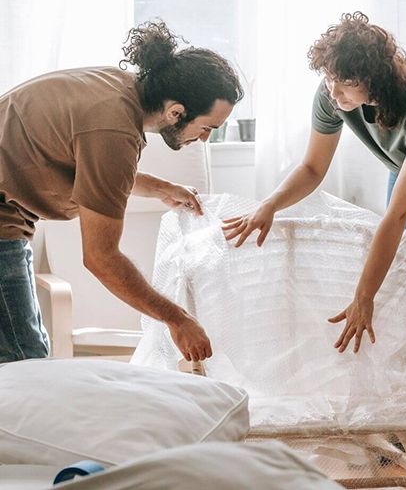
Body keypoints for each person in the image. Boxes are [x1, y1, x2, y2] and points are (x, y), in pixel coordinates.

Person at [223, 12, 406, 487]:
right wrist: (269, 205)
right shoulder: (331, 93)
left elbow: (396, 219)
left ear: (374, 80)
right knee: (396, 296)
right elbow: (313, 168)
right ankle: (393, 425)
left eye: (345, 83)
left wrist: (363, 296)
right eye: (330, 80)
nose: (333, 93)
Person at [0, 20, 243, 366]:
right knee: (25, 365)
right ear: (176, 112)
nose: (205, 138)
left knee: (27, 362)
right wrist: (178, 319)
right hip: (3, 219)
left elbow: (98, 170)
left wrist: (162, 189)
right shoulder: (112, 128)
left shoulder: (117, 90)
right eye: (207, 128)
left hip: (9, 215)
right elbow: (100, 258)